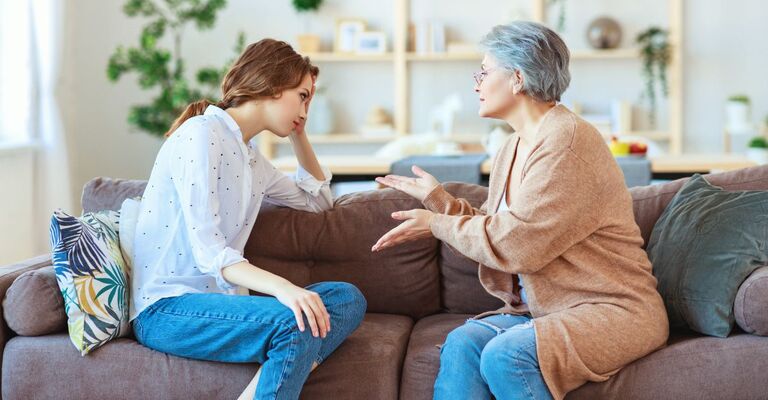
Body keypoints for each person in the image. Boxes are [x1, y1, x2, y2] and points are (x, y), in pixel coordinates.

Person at [373, 21, 668, 400]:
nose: (476, 82)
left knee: (505, 356)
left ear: (516, 78)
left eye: (483, 71)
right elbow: (504, 229)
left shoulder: (565, 145)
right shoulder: (514, 146)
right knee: (463, 344)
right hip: (551, 310)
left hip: (615, 310)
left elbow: (518, 246)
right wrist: (438, 200)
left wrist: (437, 223)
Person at [130, 39, 367, 400]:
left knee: (346, 298)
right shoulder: (200, 135)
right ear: (274, 86)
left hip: (221, 306)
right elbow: (210, 253)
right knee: (295, 320)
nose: (306, 108)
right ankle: (288, 360)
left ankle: (266, 383)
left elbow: (317, 202)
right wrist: (284, 289)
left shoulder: (252, 159)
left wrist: (299, 134)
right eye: (303, 96)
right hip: (167, 309)